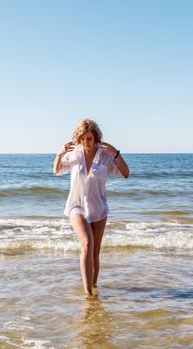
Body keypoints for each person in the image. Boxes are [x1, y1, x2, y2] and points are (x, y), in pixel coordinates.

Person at [53, 119, 129, 296]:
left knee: (95, 251)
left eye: (89, 139)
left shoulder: (105, 155)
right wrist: (59, 154)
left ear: (96, 138)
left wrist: (117, 154)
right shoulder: (74, 154)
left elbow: (126, 174)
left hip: (99, 208)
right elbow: (56, 170)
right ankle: (88, 293)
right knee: (86, 244)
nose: (86, 143)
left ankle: (94, 287)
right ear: (78, 139)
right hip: (76, 205)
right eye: (83, 139)